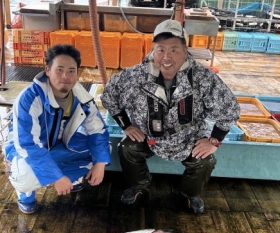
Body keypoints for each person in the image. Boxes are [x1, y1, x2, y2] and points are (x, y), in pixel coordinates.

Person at [101, 19, 239, 214]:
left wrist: (214, 141)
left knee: (206, 160)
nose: (167, 56)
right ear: (153, 50)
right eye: (161, 49)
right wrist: (127, 126)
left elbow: (230, 110)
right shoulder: (135, 76)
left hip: (188, 138)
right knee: (127, 148)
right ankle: (139, 186)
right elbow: (109, 96)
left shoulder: (203, 78)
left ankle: (189, 195)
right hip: (148, 137)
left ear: (185, 50)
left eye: (174, 49)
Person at [3, 45, 111, 214]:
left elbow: (98, 130)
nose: (65, 77)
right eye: (59, 70)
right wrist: (56, 177)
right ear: (47, 70)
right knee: (24, 174)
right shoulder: (29, 99)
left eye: (71, 71)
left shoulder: (81, 96)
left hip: (57, 144)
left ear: (77, 73)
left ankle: (72, 177)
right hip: (24, 150)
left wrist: (100, 164)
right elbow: (28, 146)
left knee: (102, 154)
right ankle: (25, 194)